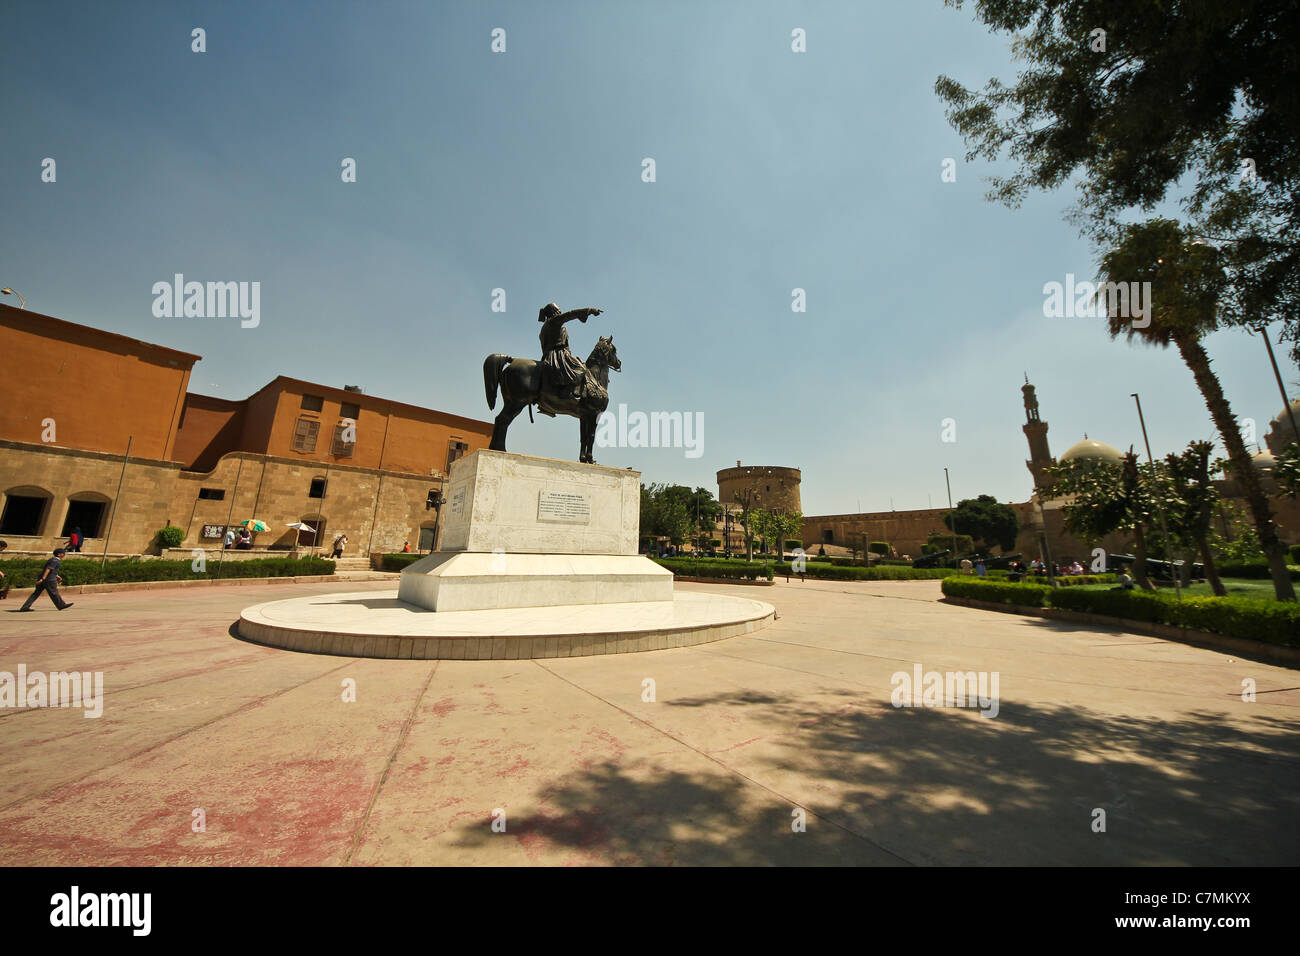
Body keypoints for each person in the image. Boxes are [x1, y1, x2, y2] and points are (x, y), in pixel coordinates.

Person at [537, 302, 602, 407]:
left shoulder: (545, 327)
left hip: (548, 356)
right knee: (581, 368)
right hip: (558, 355)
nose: (561, 312)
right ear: (555, 312)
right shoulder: (554, 321)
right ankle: (567, 392)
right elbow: (571, 314)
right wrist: (589, 310)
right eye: (559, 311)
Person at [19, 548, 74, 612]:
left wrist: (57, 576)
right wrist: (43, 578)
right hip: (49, 580)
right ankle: (61, 605)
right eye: (63, 553)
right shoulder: (55, 560)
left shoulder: (53, 560)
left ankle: (25, 607)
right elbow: (48, 569)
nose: (64, 554)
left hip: (46, 578)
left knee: (36, 593)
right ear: (59, 554)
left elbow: (51, 570)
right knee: (54, 593)